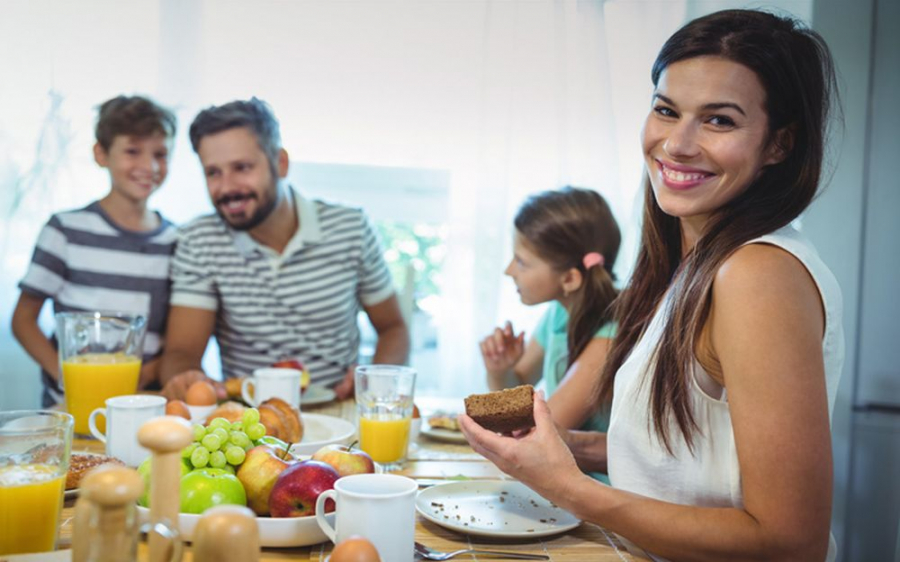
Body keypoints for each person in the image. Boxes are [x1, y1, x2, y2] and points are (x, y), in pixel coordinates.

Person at [460, 9, 843, 561]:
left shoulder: (758, 274)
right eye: (667, 110)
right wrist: (569, 449)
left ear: (779, 144)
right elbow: (687, 465)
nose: (678, 144)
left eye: (719, 121)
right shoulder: (694, 266)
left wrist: (567, 488)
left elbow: (789, 540)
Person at [159, 98, 409, 401]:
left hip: (338, 411)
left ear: (281, 163)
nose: (227, 187)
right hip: (250, 421)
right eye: (213, 172)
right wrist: (186, 380)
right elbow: (181, 353)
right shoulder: (199, 239)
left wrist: (372, 384)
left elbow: (393, 327)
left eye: (242, 167)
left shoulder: (350, 227)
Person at [12, 95, 178, 406]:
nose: (149, 166)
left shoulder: (176, 241)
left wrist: (149, 373)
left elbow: (178, 333)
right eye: (132, 151)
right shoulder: (65, 230)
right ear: (101, 153)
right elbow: (23, 319)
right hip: (71, 407)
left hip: (141, 403)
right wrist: (66, 376)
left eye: (161, 154)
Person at [479, 187, 619, 482]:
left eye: (522, 262)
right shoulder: (560, 312)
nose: (509, 271)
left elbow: (541, 432)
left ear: (569, 278)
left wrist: (494, 415)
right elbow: (517, 391)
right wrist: (500, 370)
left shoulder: (610, 336)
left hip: (593, 500)